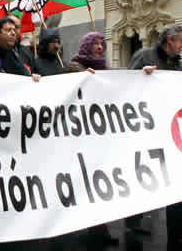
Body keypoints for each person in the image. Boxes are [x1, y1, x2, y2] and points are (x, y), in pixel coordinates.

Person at [127, 25, 182, 248]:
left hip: (170, 129)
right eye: (180, 40)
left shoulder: (177, 63)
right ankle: (133, 219)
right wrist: (142, 77)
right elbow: (124, 86)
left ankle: (178, 232)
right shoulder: (144, 56)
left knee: (177, 183)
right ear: (169, 41)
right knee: (142, 177)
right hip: (146, 129)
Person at [63, 32, 119, 246]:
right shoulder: (74, 65)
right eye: (94, 43)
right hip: (79, 133)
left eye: (101, 43)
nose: (99, 47)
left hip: (100, 133)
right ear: (85, 46)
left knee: (100, 182)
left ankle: (99, 228)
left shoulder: (106, 69)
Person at [0, 16, 39, 80]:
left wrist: (32, 77)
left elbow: (25, 75)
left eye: (14, 30)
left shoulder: (13, 55)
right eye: (8, 30)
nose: (14, 33)